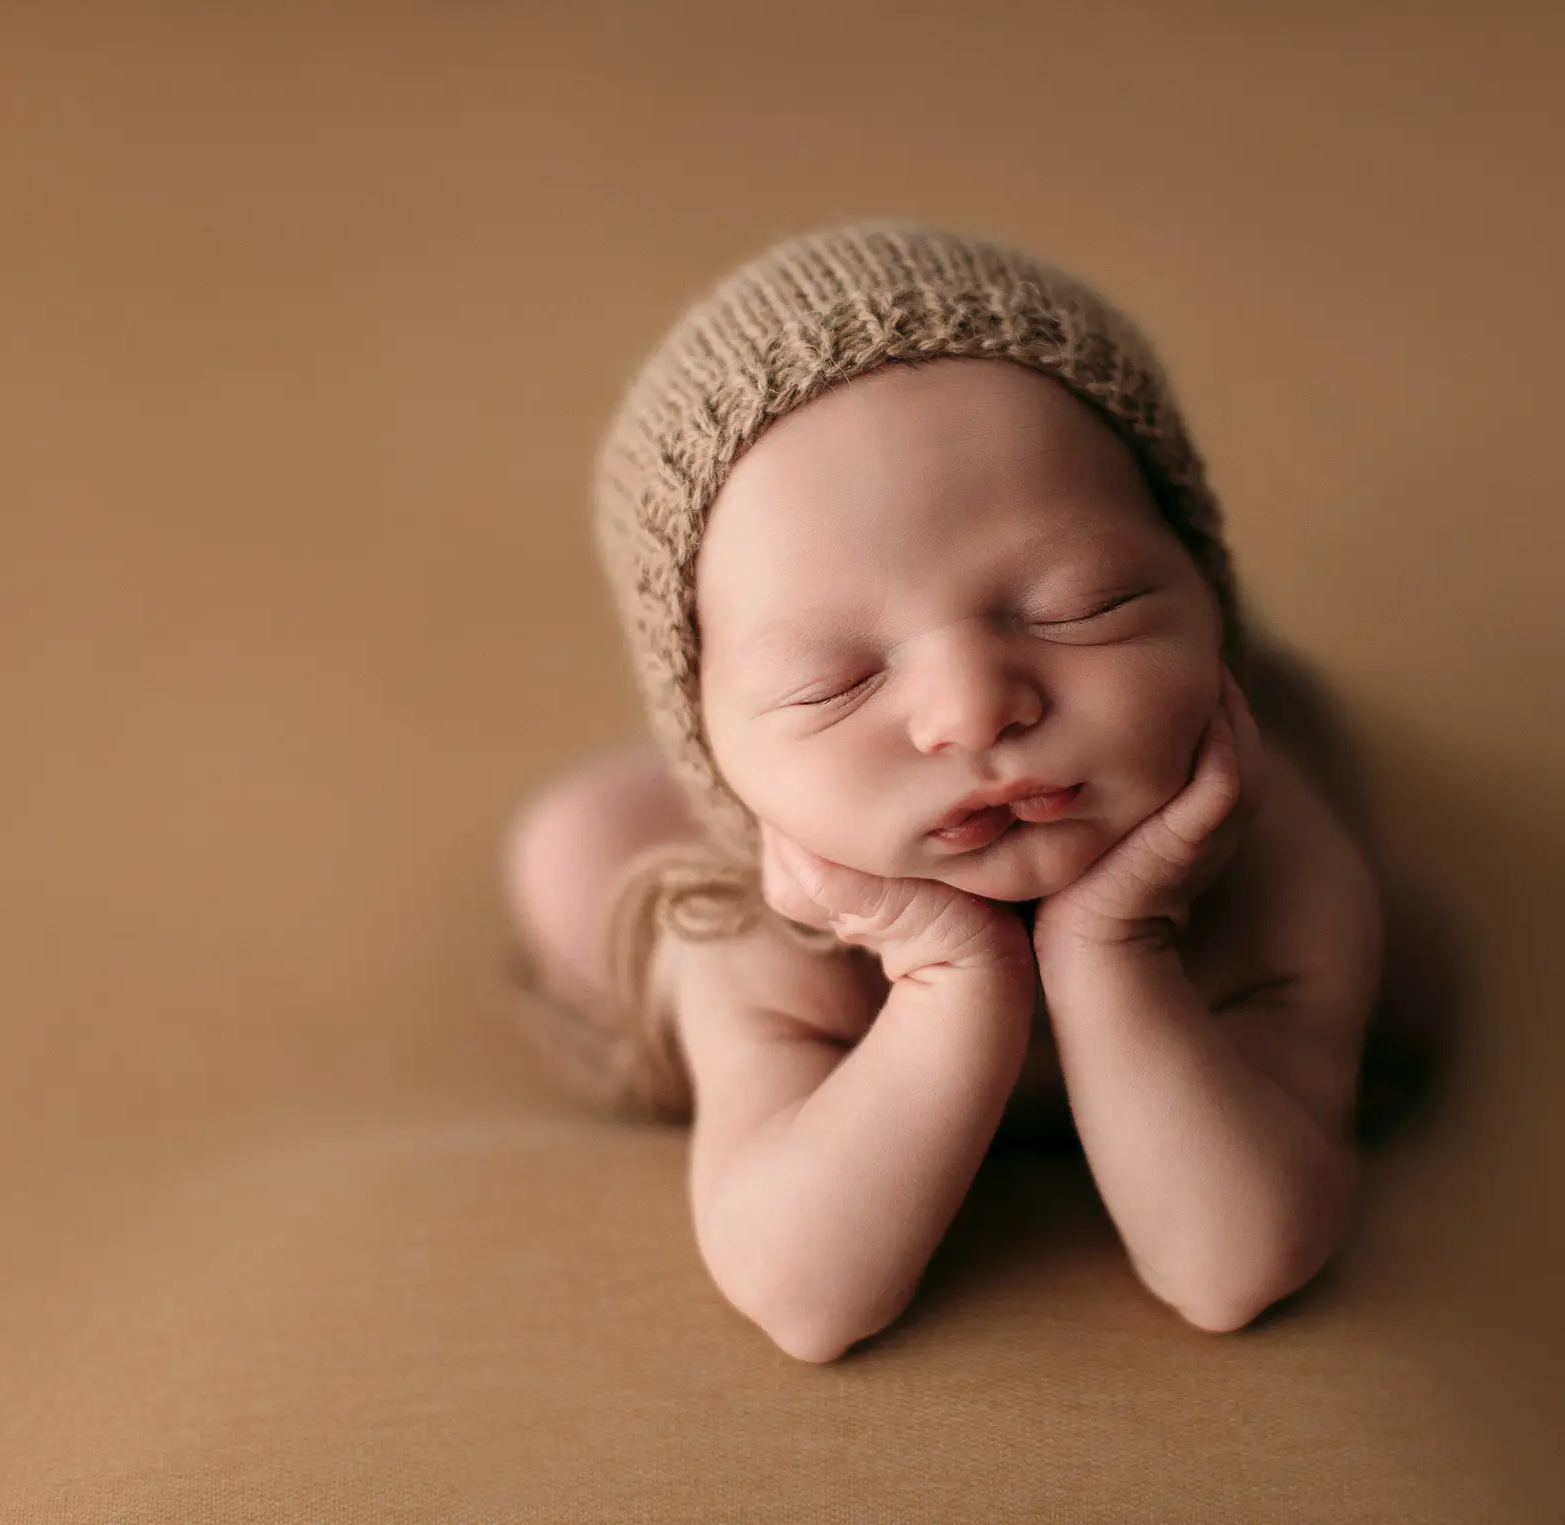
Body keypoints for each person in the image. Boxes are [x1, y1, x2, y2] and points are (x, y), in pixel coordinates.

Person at [501, 223, 1387, 1363]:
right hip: (780, 875)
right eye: (835, 678)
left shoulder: (1279, 865)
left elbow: (1235, 1264)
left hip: (1206, 831)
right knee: (578, 859)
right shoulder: (745, 930)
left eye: (1079, 604)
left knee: (1328, 744)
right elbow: (808, 1298)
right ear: (711, 749)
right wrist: (943, 975)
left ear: (1205, 592)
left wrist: (1120, 943)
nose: (973, 709)